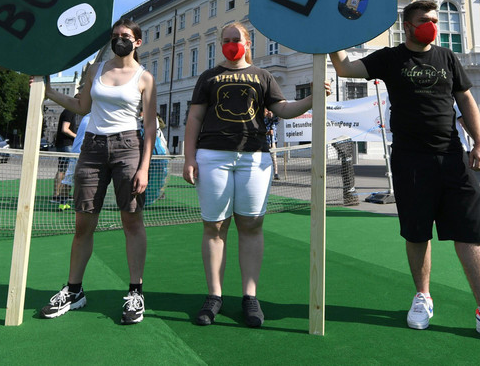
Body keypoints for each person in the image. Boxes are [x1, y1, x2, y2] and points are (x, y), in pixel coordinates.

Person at [329, 0, 480, 350]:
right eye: (425, 20)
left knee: (470, 232)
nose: (432, 26)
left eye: (435, 20)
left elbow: (466, 99)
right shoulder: (390, 58)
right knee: (417, 233)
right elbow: (344, 69)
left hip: (452, 157)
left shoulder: (447, 58)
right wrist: (329, 37)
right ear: (408, 26)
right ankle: (422, 297)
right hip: (410, 159)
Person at [183, 22, 328, 328]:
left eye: (236, 39)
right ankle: (214, 295)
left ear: (248, 43)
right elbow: (194, 117)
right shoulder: (208, 77)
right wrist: (189, 158)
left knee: (251, 224)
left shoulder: (263, 76)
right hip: (213, 156)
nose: (231, 44)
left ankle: (250, 296)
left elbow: (283, 109)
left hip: (254, 157)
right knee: (215, 226)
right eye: (226, 39)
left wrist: (312, 97)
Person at [40, 18, 158, 325]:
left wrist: (144, 167)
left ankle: (135, 292)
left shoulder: (145, 77)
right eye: (115, 35)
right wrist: (49, 92)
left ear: (138, 42)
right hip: (92, 147)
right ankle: (74, 290)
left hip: (128, 147)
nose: (119, 39)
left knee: (132, 220)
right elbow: (82, 106)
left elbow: (150, 127)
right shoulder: (95, 70)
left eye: (125, 36)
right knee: (83, 223)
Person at [53, 98, 79, 206]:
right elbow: (65, 129)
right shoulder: (70, 111)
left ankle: (58, 194)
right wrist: (78, 137)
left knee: (62, 169)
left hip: (63, 144)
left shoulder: (67, 111)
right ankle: (58, 195)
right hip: (66, 144)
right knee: (64, 170)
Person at [264, 109, 280, 181]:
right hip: (265, 141)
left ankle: (276, 173)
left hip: (273, 141)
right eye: (267, 112)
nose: (269, 113)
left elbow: (279, 118)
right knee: (266, 158)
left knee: (274, 157)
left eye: (270, 112)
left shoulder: (274, 120)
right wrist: (268, 132)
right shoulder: (263, 120)